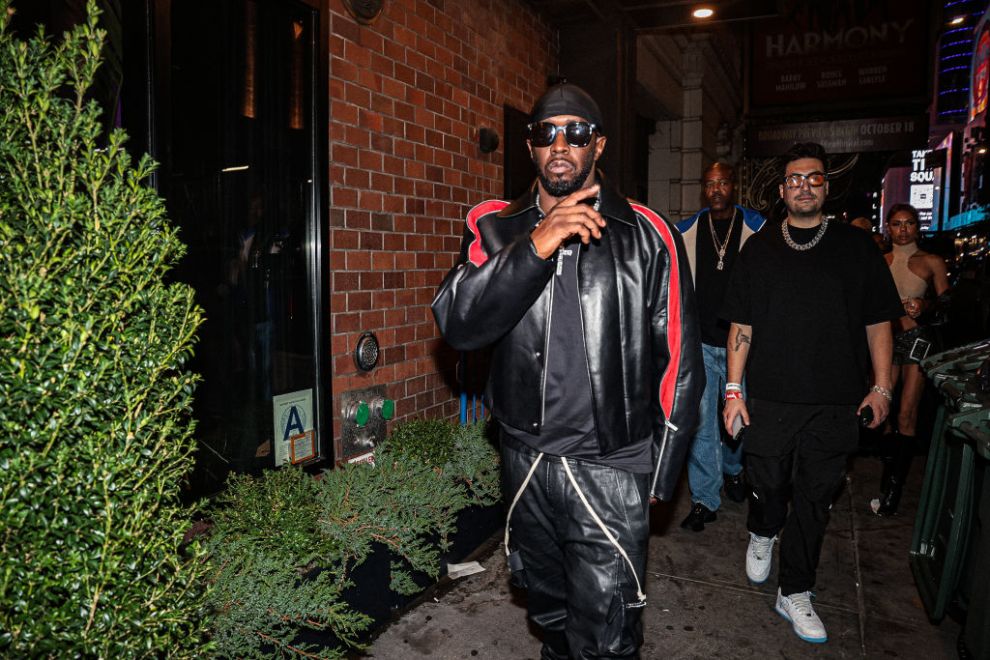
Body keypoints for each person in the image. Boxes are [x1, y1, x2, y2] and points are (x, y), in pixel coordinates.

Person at [432, 82, 702, 659]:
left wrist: (659, 475)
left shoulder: (650, 235)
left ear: (598, 144)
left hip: (610, 465)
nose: (561, 144)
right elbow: (458, 323)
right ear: (530, 147)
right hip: (526, 459)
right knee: (548, 613)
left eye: (576, 132)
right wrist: (535, 244)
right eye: (545, 133)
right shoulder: (492, 225)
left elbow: (678, 360)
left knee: (606, 635)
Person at [720, 142, 903, 644]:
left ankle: (795, 588)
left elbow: (878, 323)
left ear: (826, 185)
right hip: (771, 398)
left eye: (814, 178)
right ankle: (762, 528)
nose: (804, 185)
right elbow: (742, 324)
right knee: (769, 486)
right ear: (782, 191)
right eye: (795, 179)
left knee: (816, 498)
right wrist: (733, 389)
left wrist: (882, 386)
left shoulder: (856, 247)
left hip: (835, 401)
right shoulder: (759, 250)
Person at [676, 163, 765, 531]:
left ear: (733, 186)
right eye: (709, 184)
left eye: (723, 183)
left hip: (740, 348)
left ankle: (734, 470)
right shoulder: (687, 232)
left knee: (738, 421)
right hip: (699, 343)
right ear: (703, 189)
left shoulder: (758, 231)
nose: (716, 189)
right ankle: (704, 500)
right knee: (701, 425)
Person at [871, 203, 950, 516]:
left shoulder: (931, 261)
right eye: (897, 224)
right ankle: (888, 473)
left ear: (918, 227)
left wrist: (925, 305)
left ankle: (894, 490)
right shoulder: (881, 261)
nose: (903, 229)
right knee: (883, 412)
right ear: (888, 227)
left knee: (906, 413)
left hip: (918, 340)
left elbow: (947, 305)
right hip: (886, 342)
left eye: (909, 223)